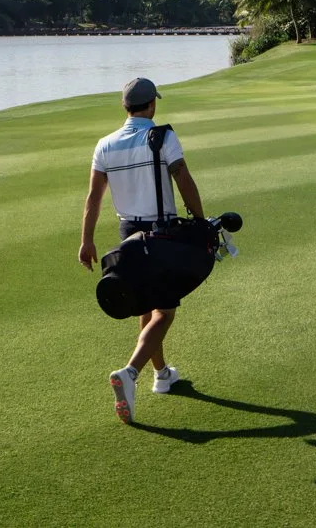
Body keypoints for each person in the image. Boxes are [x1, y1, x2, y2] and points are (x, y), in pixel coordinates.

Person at [79, 76, 206, 425]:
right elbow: (182, 177)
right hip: (160, 234)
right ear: (151, 105)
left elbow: (93, 199)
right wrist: (200, 219)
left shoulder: (104, 145)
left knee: (145, 305)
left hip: (127, 234)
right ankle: (131, 372)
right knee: (164, 312)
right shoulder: (163, 136)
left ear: (125, 107)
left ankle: (161, 374)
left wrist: (86, 240)